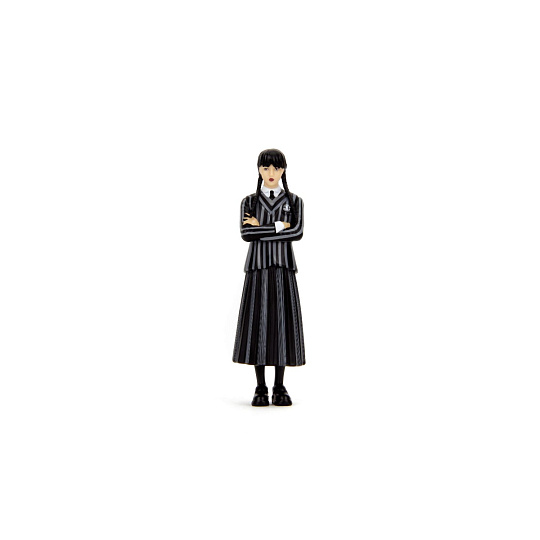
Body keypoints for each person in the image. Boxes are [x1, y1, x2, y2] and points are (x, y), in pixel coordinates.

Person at [232, 148, 305, 406]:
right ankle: (260, 386)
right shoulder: (248, 202)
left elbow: (297, 232)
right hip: (257, 267)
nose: (271, 173)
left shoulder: (294, 201)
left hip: (283, 267)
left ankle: (280, 385)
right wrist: (279, 226)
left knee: (282, 325)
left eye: (276, 168)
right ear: (259, 170)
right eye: (266, 168)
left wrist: (261, 228)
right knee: (258, 325)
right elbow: (246, 234)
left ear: (283, 170)